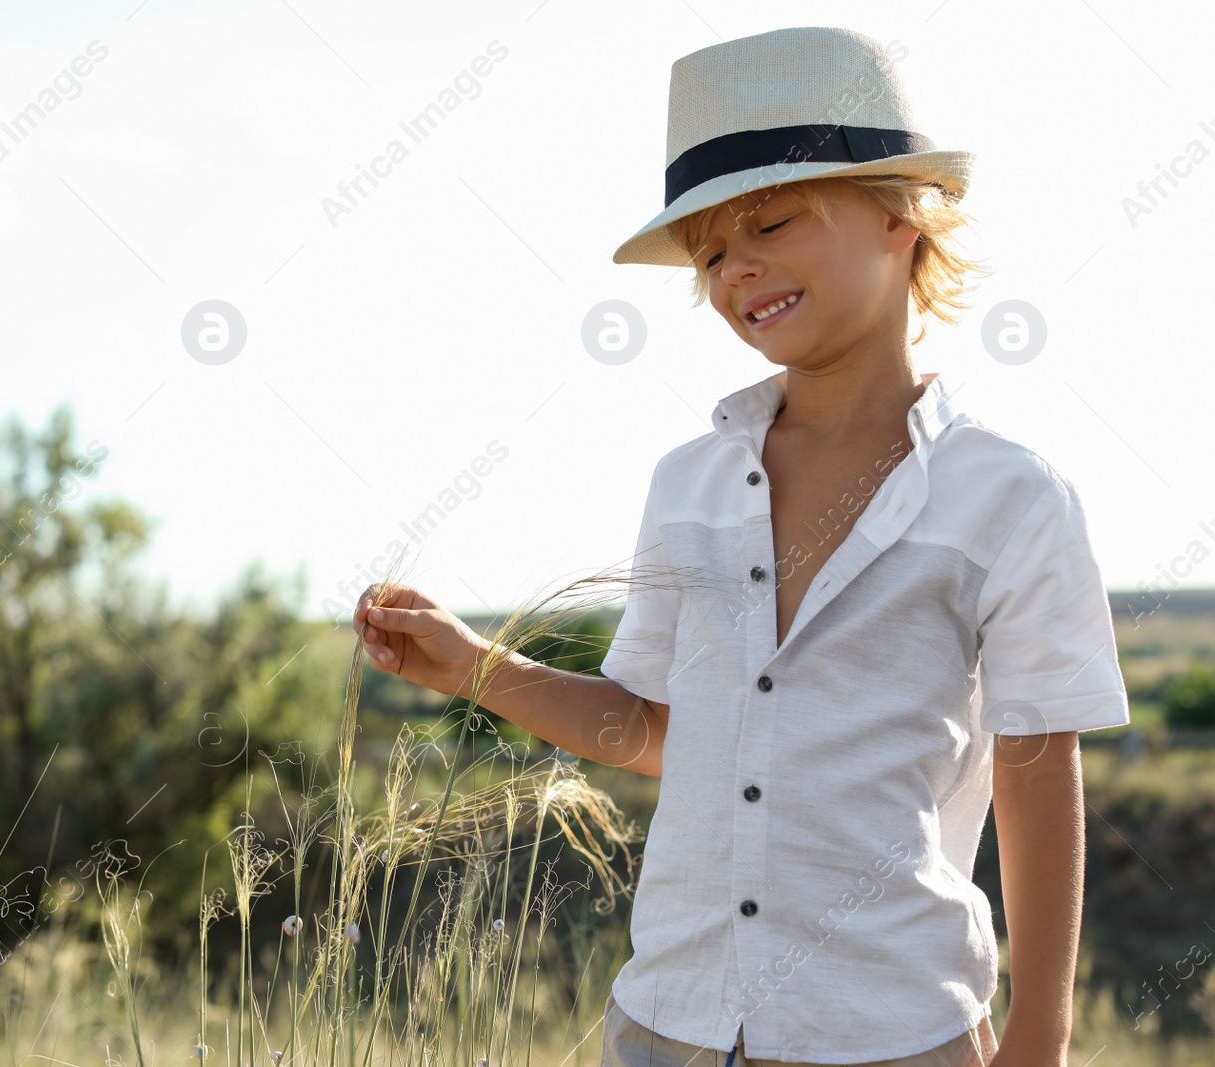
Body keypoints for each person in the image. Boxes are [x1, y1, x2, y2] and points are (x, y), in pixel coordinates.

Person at [353, 25, 1129, 1067]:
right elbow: (657, 728)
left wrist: (1040, 1035)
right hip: (666, 1022)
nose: (736, 268)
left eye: (769, 220)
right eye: (711, 252)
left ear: (900, 213)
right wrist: (476, 665)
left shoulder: (1011, 496)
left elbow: (1036, 763)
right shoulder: (690, 483)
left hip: (890, 1030)